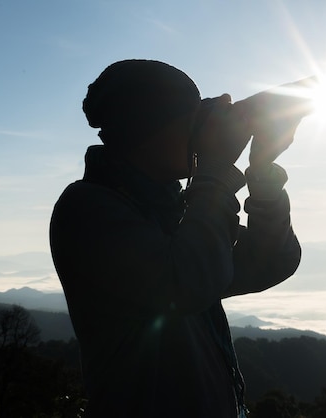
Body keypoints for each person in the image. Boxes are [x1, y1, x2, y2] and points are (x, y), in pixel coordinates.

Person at [49, 59, 306, 418]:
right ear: (146, 130)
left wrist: (261, 172)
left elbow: (271, 262)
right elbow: (186, 283)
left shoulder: (178, 210)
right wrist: (215, 168)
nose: (202, 135)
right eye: (192, 121)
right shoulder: (87, 208)